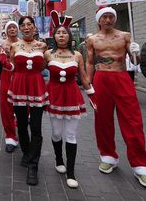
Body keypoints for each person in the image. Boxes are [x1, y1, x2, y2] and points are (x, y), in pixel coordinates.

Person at [86, 7, 146, 188]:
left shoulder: (125, 36)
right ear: (99, 20)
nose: (107, 20)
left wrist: (136, 52)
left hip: (121, 77)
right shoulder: (92, 39)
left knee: (132, 121)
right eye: (104, 17)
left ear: (114, 19)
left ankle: (141, 166)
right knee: (102, 120)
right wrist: (88, 84)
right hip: (101, 79)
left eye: (110, 17)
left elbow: (134, 62)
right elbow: (90, 62)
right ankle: (108, 156)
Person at [44, 13, 95, 189]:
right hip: (54, 96)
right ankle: (59, 159)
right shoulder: (47, 54)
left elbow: (84, 77)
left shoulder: (78, 56)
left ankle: (71, 172)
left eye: (64, 33)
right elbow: (37, 72)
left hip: (72, 96)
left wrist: (92, 96)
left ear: (69, 35)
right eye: (58, 33)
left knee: (71, 135)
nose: (61, 35)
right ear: (54, 36)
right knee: (57, 133)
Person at [4, 16, 48, 186]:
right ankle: (26, 152)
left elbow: (44, 66)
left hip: (36, 86)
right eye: (23, 25)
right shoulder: (14, 46)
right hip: (19, 86)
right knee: (21, 124)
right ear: (20, 29)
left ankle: (33, 165)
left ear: (35, 28)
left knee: (36, 126)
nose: (26, 27)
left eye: (30, 24)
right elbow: (13, 66)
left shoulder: (42, 46)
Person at [0, 21, 19, 153]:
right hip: (6, 76)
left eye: (14, 27)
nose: (12, 29)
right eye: (10, 27)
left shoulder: (23, 43)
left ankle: (20, 125)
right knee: (6, 105)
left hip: (21, 76)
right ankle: (10, 136)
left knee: (22, 105)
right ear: (6, 30)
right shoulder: (1, 44)